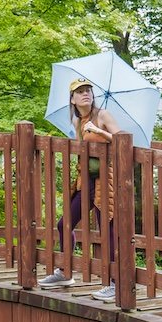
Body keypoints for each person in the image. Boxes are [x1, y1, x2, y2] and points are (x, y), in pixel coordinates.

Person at [38, 77, 120, 302]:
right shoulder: (77, 122)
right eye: (80, 91)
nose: (86, 94)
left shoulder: (102, 115)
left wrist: (100, 131)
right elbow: (80, 148)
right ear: (72, 99)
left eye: (89, 91)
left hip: (107, 180)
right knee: (64, 224)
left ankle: (116, 284)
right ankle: (65, 272)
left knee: (109, 231)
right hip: (87, 181)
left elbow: (122, 140)